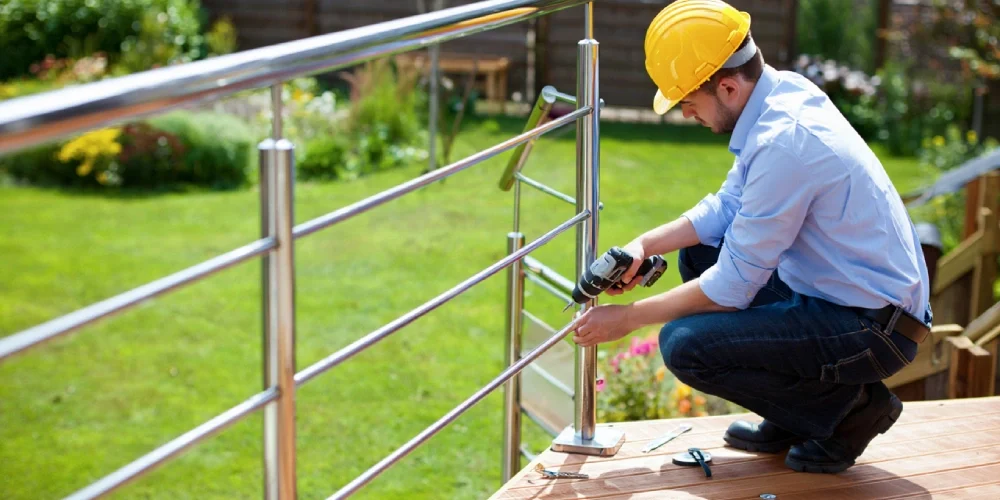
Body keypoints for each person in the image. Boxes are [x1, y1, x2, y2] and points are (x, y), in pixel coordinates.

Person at [570, 0, 933, 474]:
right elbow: (725, 207)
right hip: (847, 298)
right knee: (699, 251)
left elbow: (732, 287)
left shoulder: (786, 141)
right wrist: (643, 245)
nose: (684, 114)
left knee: (684, 344)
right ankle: (795, 414)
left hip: (872, 330)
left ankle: (852, 413)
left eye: (688, 101)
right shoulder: (781, 95)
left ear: (726, 86)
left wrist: (631, 317)